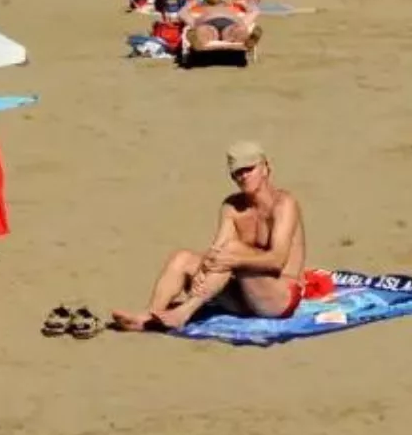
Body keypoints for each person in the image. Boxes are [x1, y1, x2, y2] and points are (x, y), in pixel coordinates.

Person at [111, 142, 305, 332]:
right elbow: (217, 251)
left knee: (232, 250)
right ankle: (149, 316)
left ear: (265, 168)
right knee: (182, 258)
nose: (244, 176)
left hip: (280, 296)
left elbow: (277, 261)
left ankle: (184, 312)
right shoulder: (232, 207)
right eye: (238, 172)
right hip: (243, 295)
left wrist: (233, 260)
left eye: (249, 169)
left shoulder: (283, 205)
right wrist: (204, 271)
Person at [180, 0, 258, 50]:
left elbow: (182, 13)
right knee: (203, 31)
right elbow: (254, 11)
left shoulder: (230, 4)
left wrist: (189, 5)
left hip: (216, 25)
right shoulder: (201, 6)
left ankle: (245, 38)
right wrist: (245, 4)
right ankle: (198, 39)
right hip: (223, 23)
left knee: (239, 30)